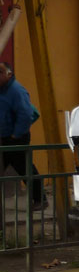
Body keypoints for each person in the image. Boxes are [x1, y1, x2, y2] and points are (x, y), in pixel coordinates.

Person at [0, 62, 44, 209]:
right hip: (5, 137)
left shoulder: (16, 90)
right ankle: (40, 199)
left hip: (14, 138)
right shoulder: (3, 90)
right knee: (25, 168)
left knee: (25, 169)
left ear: (9, 74)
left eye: (0, 72)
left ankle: (40, 199)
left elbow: (25, 114)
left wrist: (15, 135)